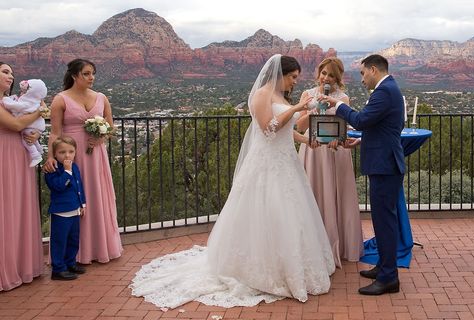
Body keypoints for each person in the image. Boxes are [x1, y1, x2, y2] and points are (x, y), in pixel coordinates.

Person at [130, 54, 335, 309]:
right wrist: (297, 108)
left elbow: (286, 130)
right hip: (265, 167)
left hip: (286, 165)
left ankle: (291, 266)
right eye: (292, 77)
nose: (294, 83)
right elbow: (268, 128)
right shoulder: (262, 94)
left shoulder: (282, 98)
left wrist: (308, 136)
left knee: (289, 214)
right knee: (265, 213)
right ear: (280, 74)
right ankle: (257, 269)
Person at [324, 54, 404, 296]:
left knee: (385, 222)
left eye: (362, 73)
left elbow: (361, 120)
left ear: (372, 70)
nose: (361, 79)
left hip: (385, 166)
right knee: (381, 220)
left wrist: (338, 106)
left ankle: (389, 278)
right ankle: (383, 267)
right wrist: (359, 142)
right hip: (384, 164)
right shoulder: (389, 89)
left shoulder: (384, 91)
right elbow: (382, 128)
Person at [44, 59, 122, 264]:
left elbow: (111, 129)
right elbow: (55, 133)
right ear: (74, 76)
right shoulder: (60, 100)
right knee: (72, 199)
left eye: (93, 73)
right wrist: (51, 156)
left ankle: (98, 248)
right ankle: (74, 255)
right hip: (71, 156)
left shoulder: (101, 98)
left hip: (96, 156)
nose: (91, 78)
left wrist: (102, 137)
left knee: (96, 196)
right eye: (86, 74)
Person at [296, 57, 363, 268]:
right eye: (324, 73)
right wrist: (314, 109)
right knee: (313, 192)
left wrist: (339, 140)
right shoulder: (307, 95)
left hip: (335, 151)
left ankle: (336, 246)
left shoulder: (344, 98)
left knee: (336, 194)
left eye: (331, 75)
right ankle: (312, 247)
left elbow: (344, 128)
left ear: (338, 78)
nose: (327, 78)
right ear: (319, 73)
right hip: (313, 149)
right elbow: (299, 126)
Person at [0, 61, 45, 291]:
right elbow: (17, 124)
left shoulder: (15, 101)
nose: (10, 76)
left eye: (12, 72)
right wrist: (40, 111)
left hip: (19, 155)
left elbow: (28, 125)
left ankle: (20, 264)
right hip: (3, 156)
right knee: (5, 208)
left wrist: (36, 129)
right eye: (5, 71)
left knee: (19, 207)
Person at [45, 136, 87, 281]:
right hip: (61, 212)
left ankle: (70, 263)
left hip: (75, 210)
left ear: (75, 152)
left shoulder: (74, 166)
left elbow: (79, 186)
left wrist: (83, 204)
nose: (67, 155)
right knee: (59, 241)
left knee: (73, 239)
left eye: (71, 151)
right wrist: (67, 172)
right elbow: (58, 186)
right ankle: (58, 269)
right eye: (62, 152)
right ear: (55, 154)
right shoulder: (52, 170)